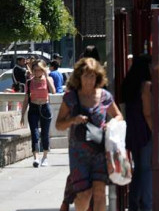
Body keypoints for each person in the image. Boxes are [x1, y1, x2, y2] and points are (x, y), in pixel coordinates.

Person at [55, 57, 123, 211]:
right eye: (86, 75)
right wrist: (73, 120)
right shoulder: (71, 98)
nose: (89, 80)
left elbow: (118, 116)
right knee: (84, 193)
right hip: (79, 154)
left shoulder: (105, 96)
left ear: (97, 76)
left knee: (99, 192)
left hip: (100, 151)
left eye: (92, 75)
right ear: (79, 77)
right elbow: (59, 124)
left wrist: (111, 123)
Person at [123, 55, 154, 211]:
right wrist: (154, 131)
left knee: (139, 168)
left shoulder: (130, 84)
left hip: (133, 131)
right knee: (146, 168)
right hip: (144, 131)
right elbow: (148, 112)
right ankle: (147, 204)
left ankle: (134, 203)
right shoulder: (146, 85)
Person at [20, 59, 56, 167]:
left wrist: (46, 74)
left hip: (45, 107)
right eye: (35, 70)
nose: (37, 72)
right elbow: (26, 99)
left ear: (43, 70)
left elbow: (53, 91)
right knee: (34, 133)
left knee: (45, 134)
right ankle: (36, 158)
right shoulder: (29, 82)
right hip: (33, 108)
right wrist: (22, 115)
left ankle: (45, 157)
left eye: (40, 70)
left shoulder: (48, 79)